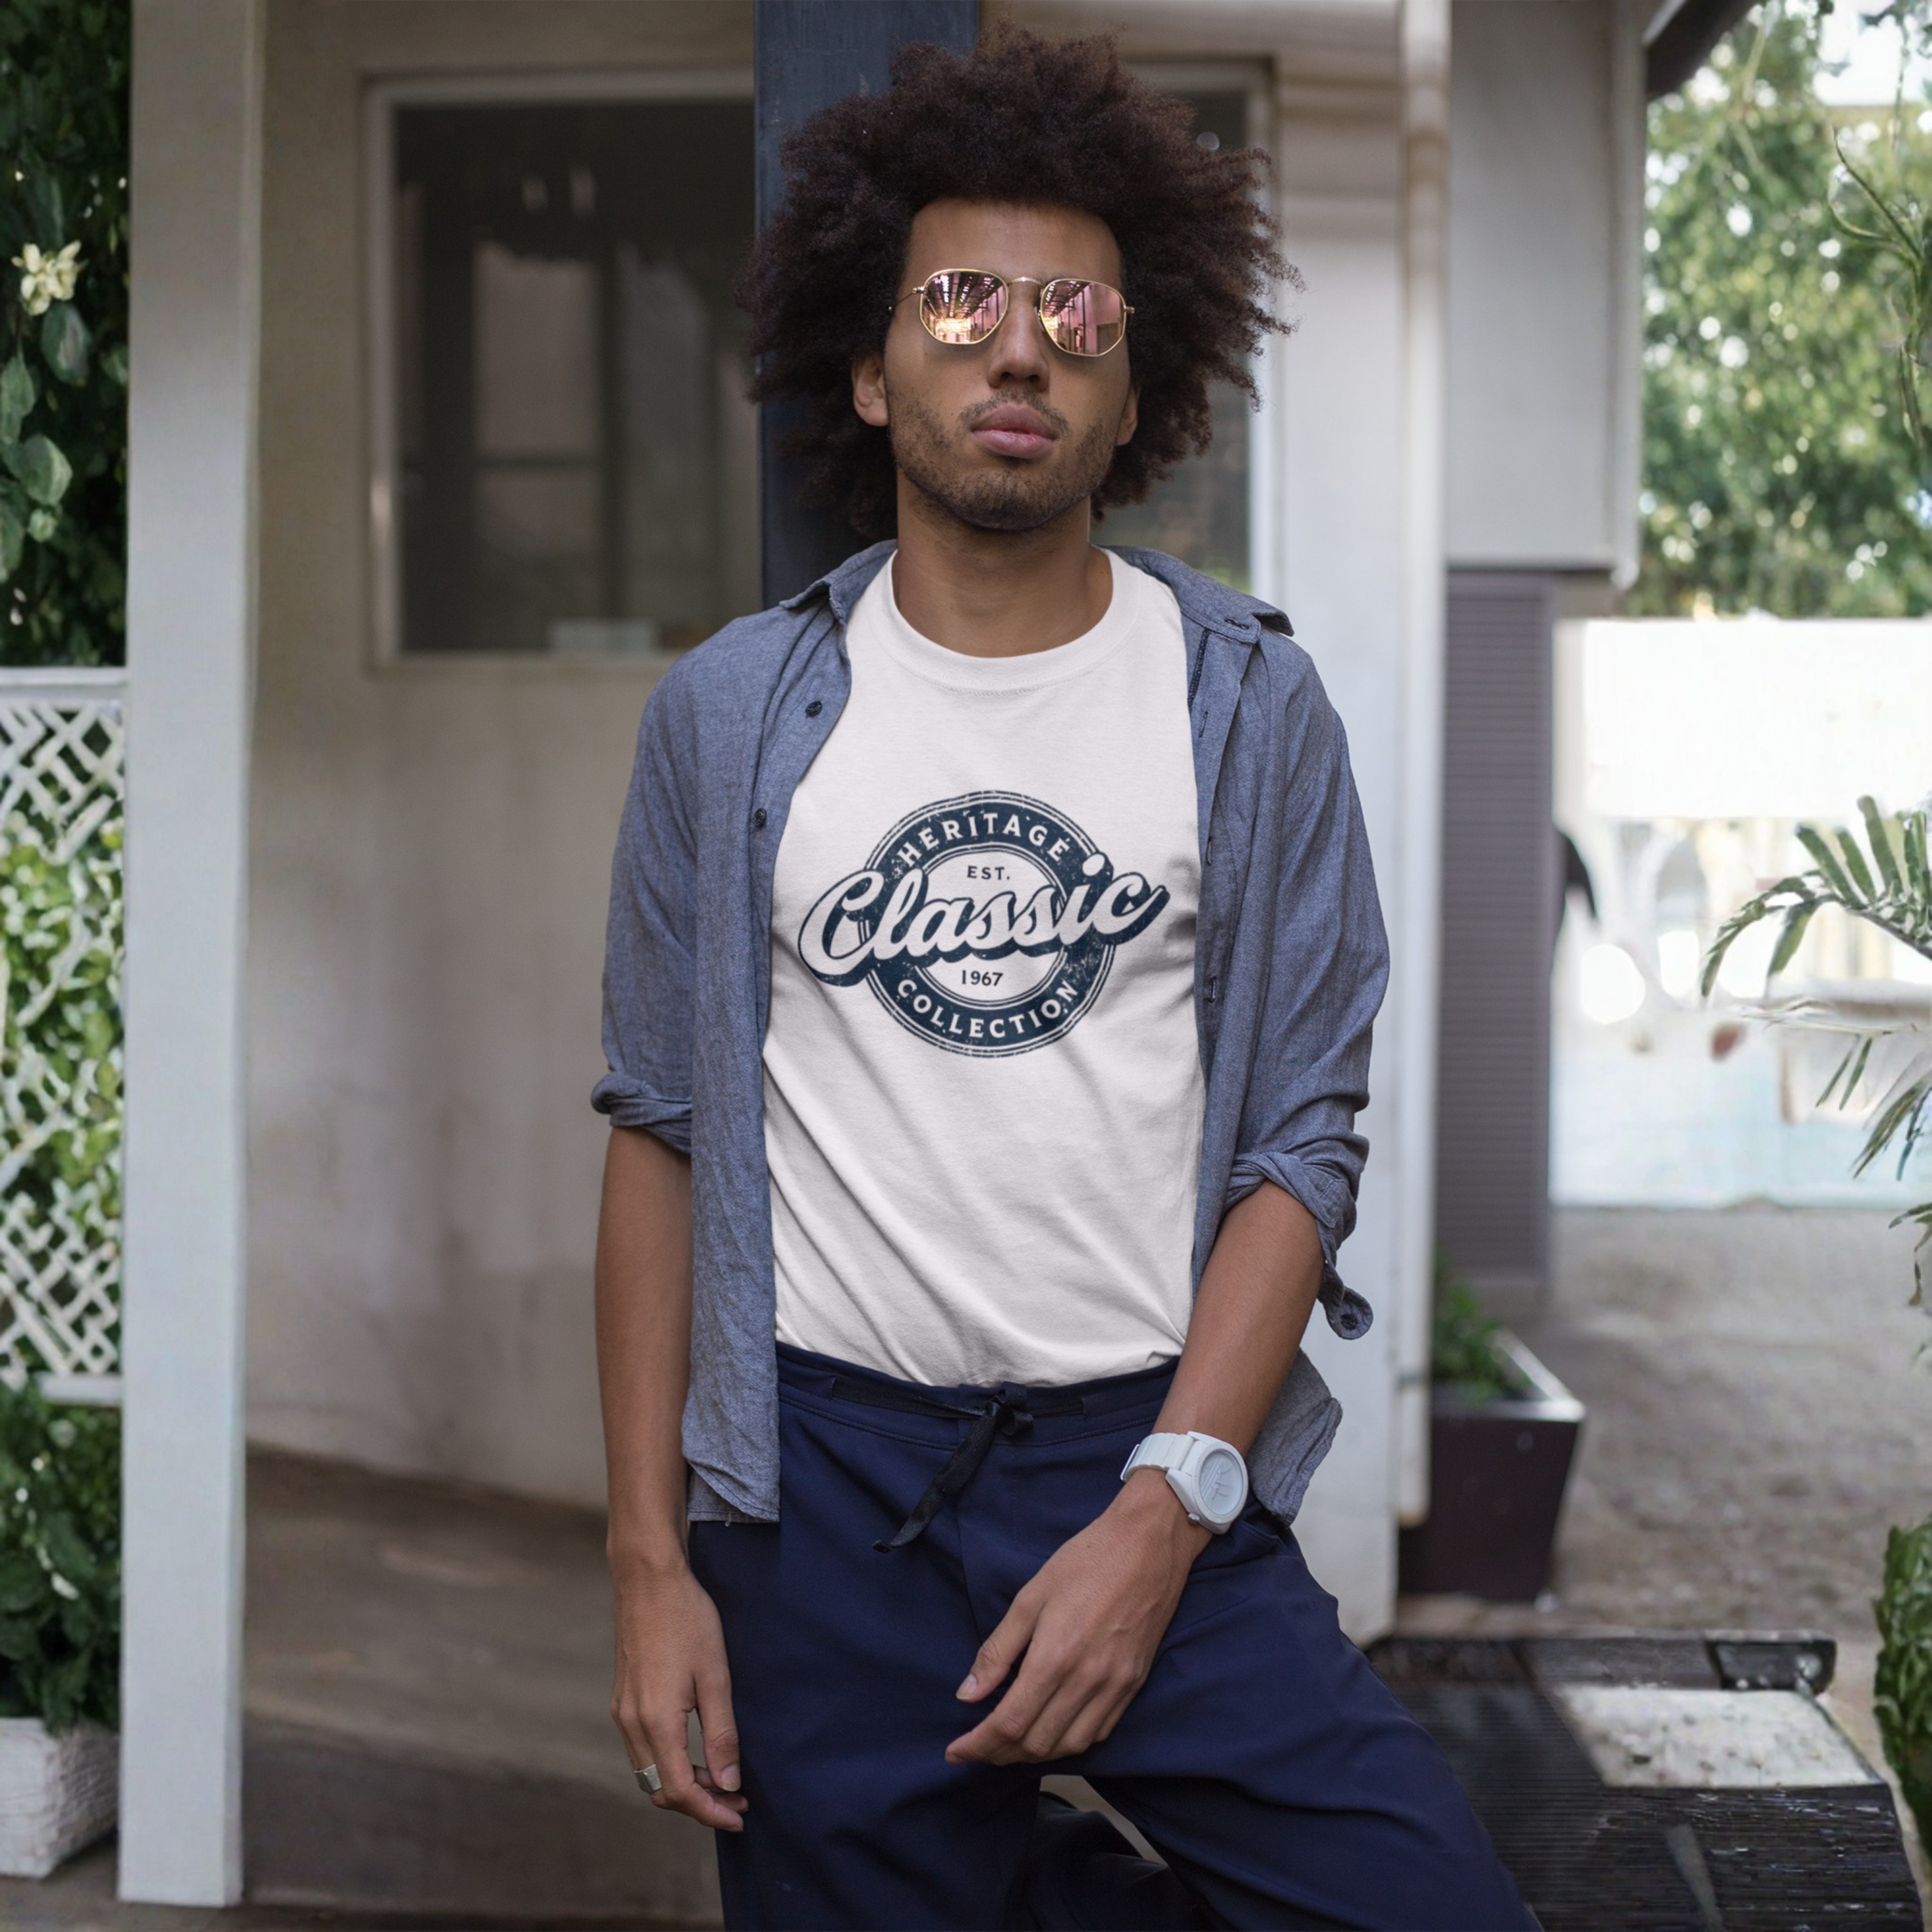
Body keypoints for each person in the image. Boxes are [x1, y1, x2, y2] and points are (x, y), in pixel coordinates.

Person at [591, 30, 1536, 1931]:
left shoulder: (1247, 706)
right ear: (870, 368)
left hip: (1146, 1456)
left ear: (1134, 393)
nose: (1016, 347)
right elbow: (660, 1133)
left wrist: (1166, 1507)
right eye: (958, 300)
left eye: (1073, 314)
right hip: (819, 1496)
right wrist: (648, 1562)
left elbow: (1300, 1144)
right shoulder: (725, 720)